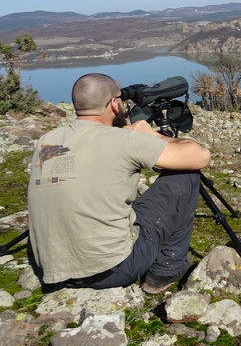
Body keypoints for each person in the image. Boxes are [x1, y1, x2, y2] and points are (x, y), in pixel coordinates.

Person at [27, 73, 211, 293]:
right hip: (113, 270)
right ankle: (165, 272)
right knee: (186, 174)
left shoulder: (45, 142)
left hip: (53, 270)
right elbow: (200, 156)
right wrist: (154, 136)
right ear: (114, 104)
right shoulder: (124, 141)